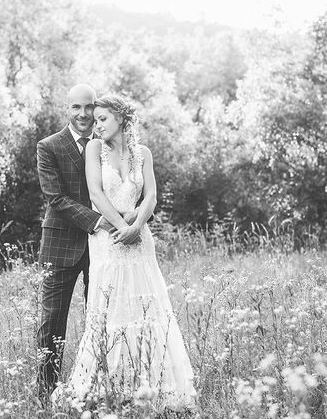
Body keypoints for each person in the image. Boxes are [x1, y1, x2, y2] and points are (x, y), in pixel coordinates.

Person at [54, 94, 196, 411]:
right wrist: (122, 227)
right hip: (109, 239)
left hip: (140, 240)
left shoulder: (142, 153)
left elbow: (151, 197)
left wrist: (137, 226)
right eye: (96, 118)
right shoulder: (94, 149)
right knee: (111, 312)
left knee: (146, 310)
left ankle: (150, 388)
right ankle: (108, 390)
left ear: (121, 119)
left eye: (103, 118)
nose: (96, 123)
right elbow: (96, 194)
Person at [36, 84, 128, 397]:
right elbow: (56, 198)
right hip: (61, 244)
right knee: (51, 323)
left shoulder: (108, 144)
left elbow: (128, 186)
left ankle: (96, 389)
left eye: (89, 107)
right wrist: (99, 221)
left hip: (103, 249)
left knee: (102, 320)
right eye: (76, 107)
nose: (84, 114)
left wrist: (133, 220)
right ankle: (45, 394)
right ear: (68, 109)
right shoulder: (49, 146)